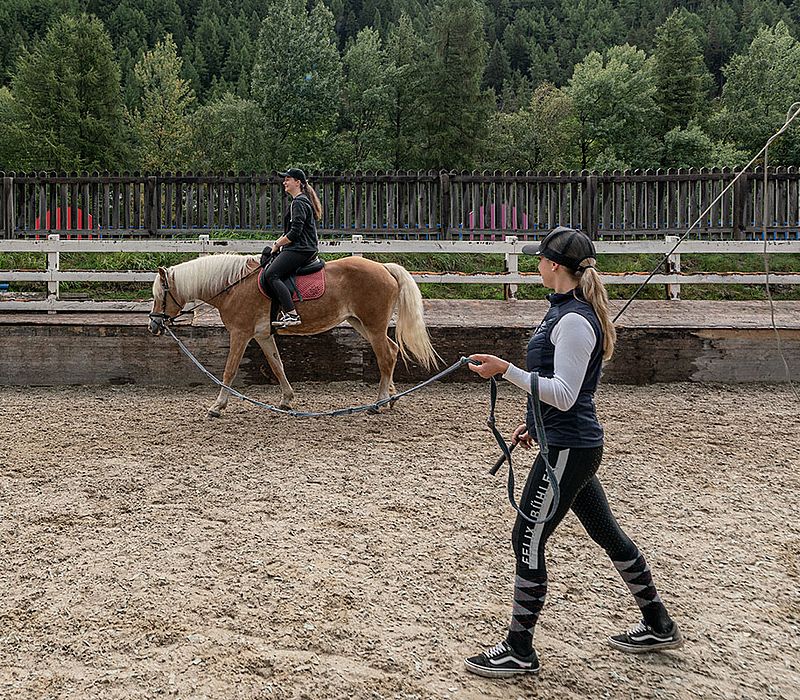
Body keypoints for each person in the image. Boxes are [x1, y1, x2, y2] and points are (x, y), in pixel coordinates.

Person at [464, 226, 682, 678]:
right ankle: (659, 623)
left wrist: (507, 371)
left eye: (540, 259)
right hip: (565, 443)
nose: (535, 265)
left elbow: (565, 394)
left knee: (526, 538)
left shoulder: (575, 320)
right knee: (607, 534)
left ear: (555, 266)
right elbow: (565, 391)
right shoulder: (563, 313)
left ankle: (519, 649)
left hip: (569, 448)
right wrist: (534, 420)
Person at [260, 168, 322, 328]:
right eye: (284, 179)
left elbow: (295, 233)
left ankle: (291, 314)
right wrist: (279, 243)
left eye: (288, 179)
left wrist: (277, 244)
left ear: (298, 182)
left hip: (301, 248)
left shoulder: (299, 202)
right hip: (300, 247)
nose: (284, 182)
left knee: (271, 274)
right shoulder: (300, 201)